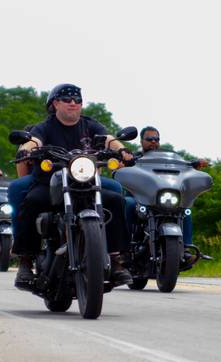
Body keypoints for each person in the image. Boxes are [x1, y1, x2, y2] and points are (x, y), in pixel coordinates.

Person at [12, 83, 134, 287]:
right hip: (52, 182)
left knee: (115, 200)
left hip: (86, 181)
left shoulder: (90, 125)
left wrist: (122, 150)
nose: (73, 103)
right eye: (67, 99)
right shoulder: (46, 127)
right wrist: (26, 149)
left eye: (77, 100)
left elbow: (109, 140)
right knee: (32, 201)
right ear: (55, 104)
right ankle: (25, 262)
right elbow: (34, 140)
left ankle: (117, 260)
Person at [124, 126, 207, 247]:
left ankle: (187, 247)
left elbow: (183, 165)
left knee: (185, 210)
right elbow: (122, 166)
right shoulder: (133, 158)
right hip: (138, 198)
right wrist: (124, 162)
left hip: (161, 197)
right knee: (127, 203)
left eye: (156, 139)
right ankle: (124, 247)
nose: (153, 141)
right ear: (141, 141)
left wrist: (194, 163)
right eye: (149, 139)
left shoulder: (167, 159)